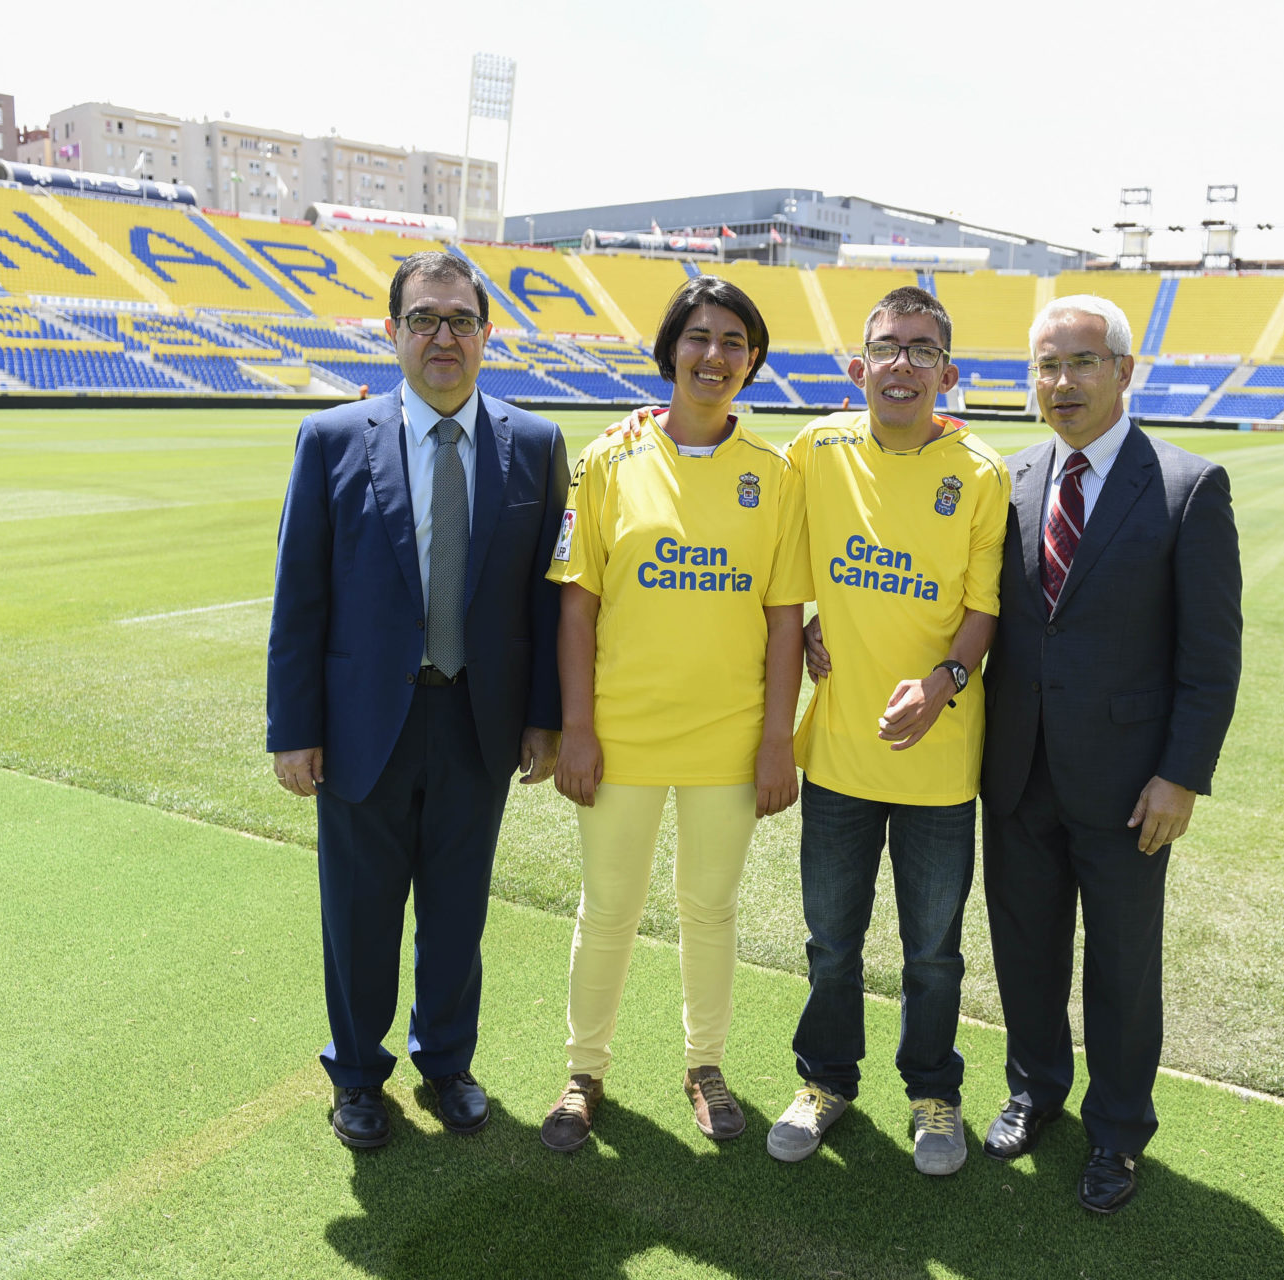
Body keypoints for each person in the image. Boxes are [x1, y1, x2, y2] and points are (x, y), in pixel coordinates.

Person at [266, 250, 569, 1150]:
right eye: (424, 319)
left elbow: (545, 597)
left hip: (478, 721)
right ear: (392, 331)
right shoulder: (330, 441)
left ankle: (446, 1063)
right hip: (365, 725)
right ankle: (357, 1076)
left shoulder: (539, 444)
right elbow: (300, 596)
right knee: (359, 916)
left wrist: (544, 716)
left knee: (457, 912)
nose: (444, 336)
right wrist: (294, 729)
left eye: (461, 320)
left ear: (487, 335)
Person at [979, 295, 1241, 1213]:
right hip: (1017, 771)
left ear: (1126, 372)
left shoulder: (1188, 486)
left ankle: (1120, 1132)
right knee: (1025, 950)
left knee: (1123, 968)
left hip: (1133, 785)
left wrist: (1182, 775)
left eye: (1082, 363)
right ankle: (1035, 1090)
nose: (1062, 383)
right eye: (1047, 366)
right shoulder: (1007, 479)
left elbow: (1212, 655)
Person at [541, 276, 809, 1153]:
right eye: (699, 337)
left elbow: (782, 619)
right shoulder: (608, 459)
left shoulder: (773, 476)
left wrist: (778, 741)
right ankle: (584, 1072)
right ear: (669, 352)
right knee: (608, 906)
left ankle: (705, 1064)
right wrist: (578, 729)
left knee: (709, 907)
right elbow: (576, 606)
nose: (714, 356)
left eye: (734, 341)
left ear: (753, 362)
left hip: (729, 739)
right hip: (620, 733)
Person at [767, 286, 1009, 1176]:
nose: (901, 363)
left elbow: (982, 614)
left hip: (941, 766)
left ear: (948, 371)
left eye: (921, 348)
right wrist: (808, 626)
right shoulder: (814, 448)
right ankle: (826, 1080)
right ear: (856, 366)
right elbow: (761, 530)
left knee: (932, 953)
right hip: (837, 756)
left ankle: (933, 1093)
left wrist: (944, 681)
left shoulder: (981, 473)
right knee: (831, 941)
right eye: (886, 347)